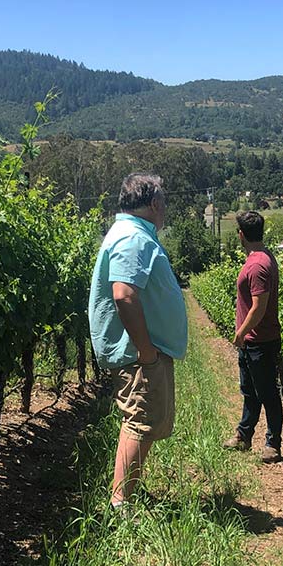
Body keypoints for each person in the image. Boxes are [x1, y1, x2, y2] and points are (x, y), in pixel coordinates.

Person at [88, 172, 188, 508]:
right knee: (141, 419)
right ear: (156, 203)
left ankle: (125, 493)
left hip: (142, 350)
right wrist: (146, 352)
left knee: (144, 419)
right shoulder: (133, 237)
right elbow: (124, 295)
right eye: (164, 204)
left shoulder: (131, 233)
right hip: (139, 352)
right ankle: (121, 503)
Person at [223, 211, 282, 460]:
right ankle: (244, 435)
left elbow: (259, 306)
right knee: (250, 391)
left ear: (241, 235)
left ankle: (273, 444)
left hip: (260, 341)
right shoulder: (260, 258)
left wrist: (241, 332)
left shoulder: (258, 265)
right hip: (252, 341)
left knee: (267, 392)